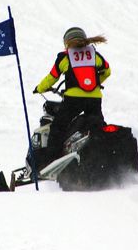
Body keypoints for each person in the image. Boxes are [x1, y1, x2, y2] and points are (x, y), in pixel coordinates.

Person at [32, 26, 111, 169]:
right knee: (97, 125)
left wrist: (40, 88)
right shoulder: (94, 54)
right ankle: (107, 155)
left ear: (66, 42)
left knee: (58, 127)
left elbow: (52, 77)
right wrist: (95, 83)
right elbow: (107, 71)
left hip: (73, 100)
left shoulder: (65, 56)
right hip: (94, 98)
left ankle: (51, 161)